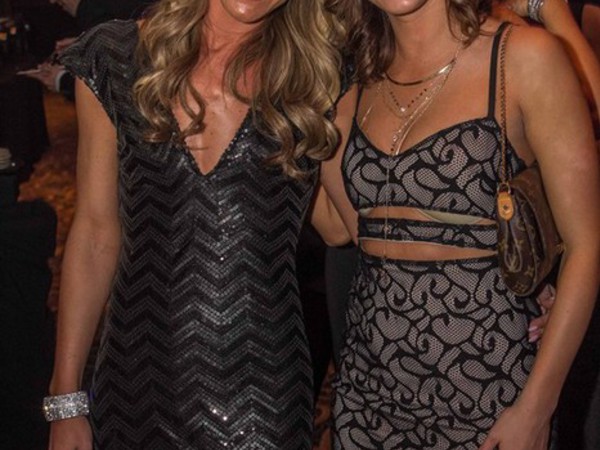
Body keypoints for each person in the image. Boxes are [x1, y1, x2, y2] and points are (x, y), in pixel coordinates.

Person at [45, 0, 347, 449]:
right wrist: (66, 399)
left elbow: (340, 226)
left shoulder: (316, 74)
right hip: (134, 382)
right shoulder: (115, 57)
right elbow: (94, 234)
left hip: (265, 393)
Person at [319, 0, 600, 447]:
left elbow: (588, 244)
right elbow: (344, 228)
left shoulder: (524, 57)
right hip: (367, 392)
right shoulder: (353, 81)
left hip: (490, 389)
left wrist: (535, 410)